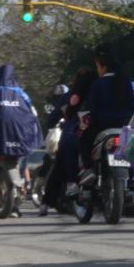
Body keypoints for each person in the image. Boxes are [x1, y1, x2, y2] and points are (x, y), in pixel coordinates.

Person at [78, 44, 134, 187]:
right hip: (124, 125)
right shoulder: (125, 81)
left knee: (84, 139)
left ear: (103, 67)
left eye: (97, 66)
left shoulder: (98, 83)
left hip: (102, 125)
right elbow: (133, 105)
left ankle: (89, 170)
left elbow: (92, 107)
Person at [44, 70, 95, 207]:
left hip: (74, 136)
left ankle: (71, 184)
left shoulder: (69, 97)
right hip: (98, 133)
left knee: (66, 148)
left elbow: (51, 119)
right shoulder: (98, 91)